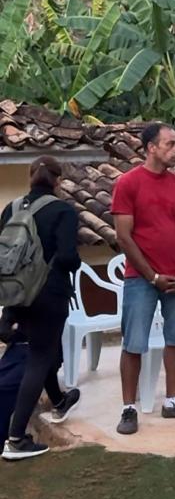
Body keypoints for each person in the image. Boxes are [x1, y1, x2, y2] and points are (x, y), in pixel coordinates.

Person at [111, 123, 175, 435]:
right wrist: (152, 276)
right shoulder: (128, 183)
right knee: (134, 343)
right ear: (151, 148)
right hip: (140, 279)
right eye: (171, 144)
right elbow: (124, 237)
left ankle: (173, 401)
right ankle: (129, 408)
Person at [1, 157, 81, 461]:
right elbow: (68, 257)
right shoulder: (63, 211)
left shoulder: (11, 209)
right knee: (39, 357)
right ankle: (16, 439)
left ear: (30, 176)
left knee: (43, 351)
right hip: (49, 294)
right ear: (57, 181)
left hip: (16, 293)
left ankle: (59, 401)